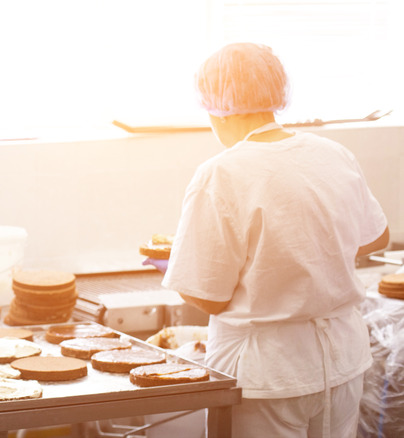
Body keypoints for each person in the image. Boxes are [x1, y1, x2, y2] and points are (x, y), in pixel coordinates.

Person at [161, 42, 390, 437]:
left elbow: (209, 296)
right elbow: (377, 236)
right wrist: (314, 250)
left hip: (267, 376)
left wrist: (181, 265)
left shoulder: (221, 173)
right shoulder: (332, 153)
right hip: (341, 363)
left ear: (213, 103)